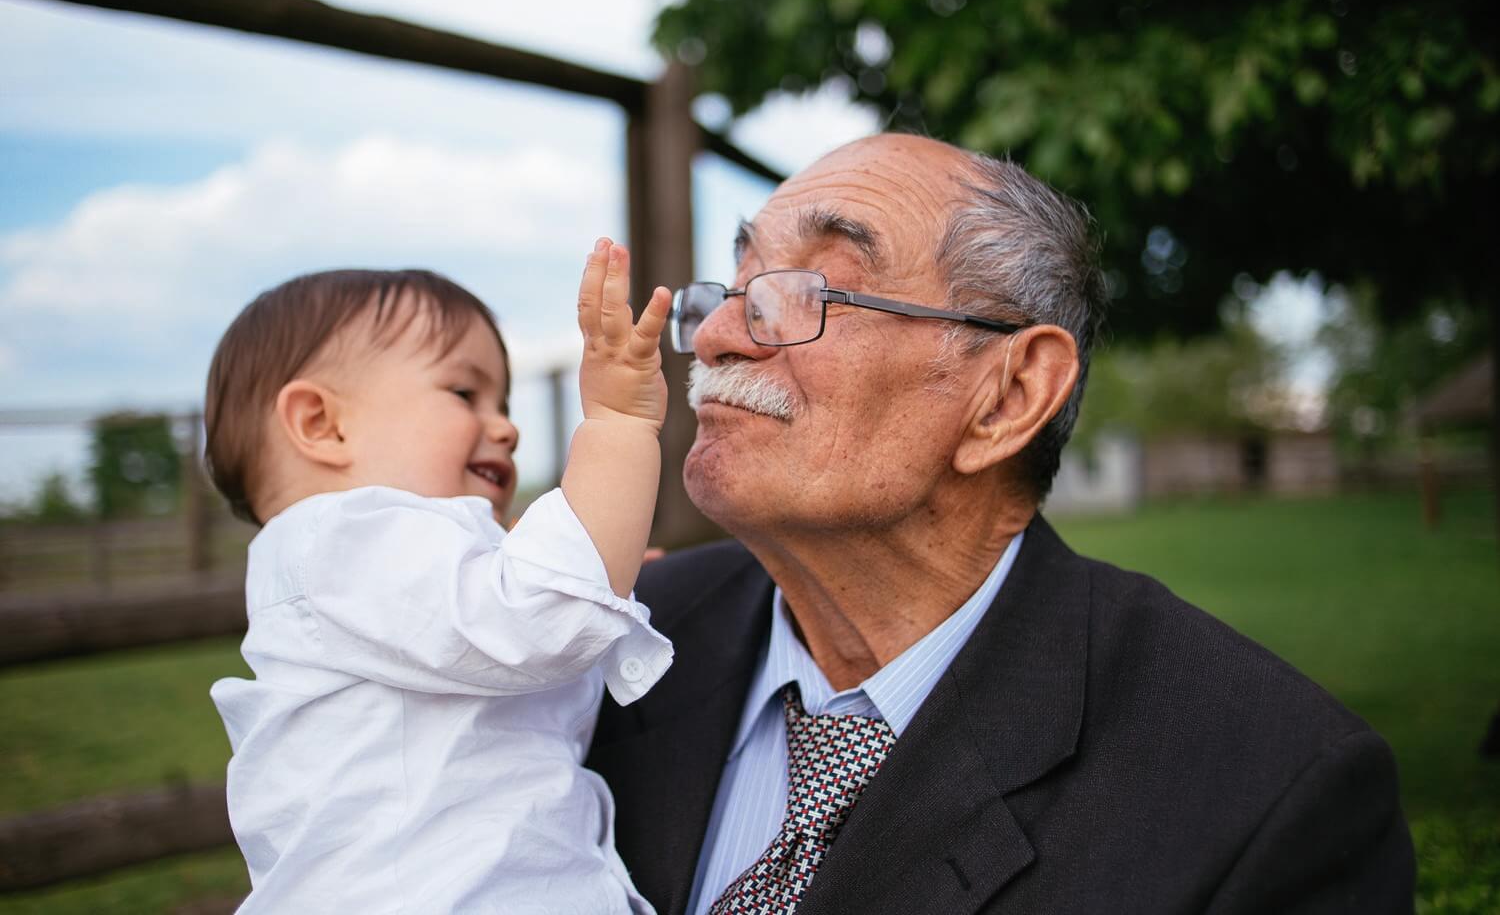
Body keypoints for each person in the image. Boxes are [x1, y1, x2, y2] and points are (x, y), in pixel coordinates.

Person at [586, 135, 1415, 915]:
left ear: (1009, 398)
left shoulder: (1265, 792)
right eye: (733, 288)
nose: (720, 337)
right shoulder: (606, 638)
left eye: (810, 292)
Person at [208, 240, 673, 913]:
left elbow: (527, 661)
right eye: (465, 392)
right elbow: (542, 625)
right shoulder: (339, 537)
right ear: (321, 424)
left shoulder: (373, 567)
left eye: (503, 400)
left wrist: (602, 570)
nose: (506, 428)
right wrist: (619, 428)